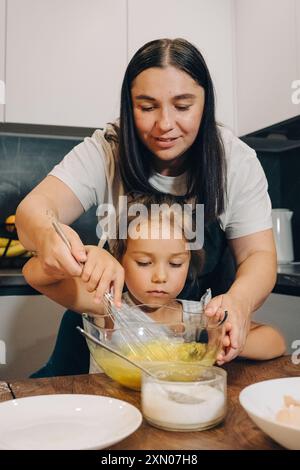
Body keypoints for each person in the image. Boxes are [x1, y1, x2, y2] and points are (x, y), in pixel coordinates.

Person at [16, 37, 277, 365]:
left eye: (183, 106)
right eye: (147, 106)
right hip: (108, 338)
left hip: (193, 344)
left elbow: (258, 254)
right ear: (129, 105)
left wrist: (239, 302)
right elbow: (33, 212)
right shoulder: (108, 148)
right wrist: (50, 236)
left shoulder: (234, 160)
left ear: (205, 104)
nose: (165, 124)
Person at [23, 193, 286, 366]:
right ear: (120, 259)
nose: (160, 277)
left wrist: (219, 340)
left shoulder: (199, 316)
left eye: (175, 263)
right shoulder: (106, 307)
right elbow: (35, 275)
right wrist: (87, 255)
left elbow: (275, 341)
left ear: (190, 264)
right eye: (144, 262)